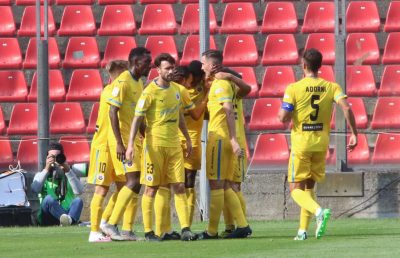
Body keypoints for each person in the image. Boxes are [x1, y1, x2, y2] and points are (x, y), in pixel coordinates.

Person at [278, 48, 358, 240]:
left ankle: (319, 211)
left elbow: (282, 117)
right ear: (320, 66)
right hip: (321, 144)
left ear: (303, 65)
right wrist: (354, 134)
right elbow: (346, 107)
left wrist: (289, 113)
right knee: (308, 188)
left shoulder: (294, 88)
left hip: (302, 145)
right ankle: (302, 231)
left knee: (295, 189)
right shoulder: (331, 87)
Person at [125, 53, 197, 241]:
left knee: (179, 186)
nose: (171, 71)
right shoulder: (149, 92)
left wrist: (188, 139)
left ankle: (186, 229)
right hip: (154, 146)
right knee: (152, 188)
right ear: (158, 70)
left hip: (174, 145)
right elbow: (137, 119)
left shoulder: (176, 90)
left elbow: (180, 116)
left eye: (172, 68)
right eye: (167, 68)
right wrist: (130, 145)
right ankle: (149, 231)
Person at [197, 50, 252, 240]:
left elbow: (228, 110)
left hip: (221, 139)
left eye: (203, 63)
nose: (201, 66)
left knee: (217, 185)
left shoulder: (220, 84)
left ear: (211, 65)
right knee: (228, 184)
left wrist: (233, 139)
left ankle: (212, 231)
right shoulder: (227, 83)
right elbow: (246, 90)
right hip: (228, 138)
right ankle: (241, 225)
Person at [153, 65, 209, 240]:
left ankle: (163, 228)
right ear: (186, 78)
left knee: (166, 185)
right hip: (187, 140)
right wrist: (207, 95)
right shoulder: (183, 91)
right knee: (186, 183)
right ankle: (186, 226)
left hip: (170, 140)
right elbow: (197, 114)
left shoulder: (170, 90)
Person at [102, 47, 152, 241]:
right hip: (122, 142)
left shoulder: (139, 82)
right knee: (131, 181)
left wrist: (143, 131)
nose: (149, 66)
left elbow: (136, 113)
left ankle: (127, 229)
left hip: (134, 141)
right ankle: (110, 224)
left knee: (136, 182)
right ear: (136, 63)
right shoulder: (122, 82)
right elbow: (112, 112)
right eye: (147, 63)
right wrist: (120, 144)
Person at [87, 60, 132, 243]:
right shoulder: (112, 91)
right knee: (102, 188)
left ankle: (106, 222)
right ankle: (94, 231)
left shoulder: (118, 90)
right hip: (104, 146)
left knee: (125, 186)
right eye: (125, 72)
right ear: (119, 73)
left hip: (115, 145)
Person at [31, 143, 84, 226]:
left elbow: (79, 191)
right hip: (48, 215)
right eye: (52, 157)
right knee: (48, 199)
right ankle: (70, 222)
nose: (55, 161)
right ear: (47, 159)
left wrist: (68, 171)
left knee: (78, 201)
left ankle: (68, 221)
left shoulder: (70, 174)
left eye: (58, 157)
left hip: (67, 211)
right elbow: (35, 189)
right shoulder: (40, 175)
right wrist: (47, 169)